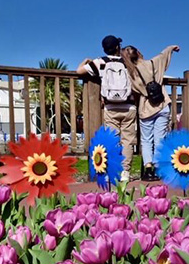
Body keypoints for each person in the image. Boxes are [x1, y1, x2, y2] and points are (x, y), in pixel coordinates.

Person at [76, 35, 138, 182]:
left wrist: (86, 61)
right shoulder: (128, 63)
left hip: (110, 107)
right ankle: (125, 172)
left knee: (113, 140)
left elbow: (79, 71)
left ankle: (112, 171)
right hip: (129, 107)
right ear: (118, 47)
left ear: (104, 48)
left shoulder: (101, 62)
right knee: (128, 141)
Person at [123, 45, 179, 181]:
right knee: (160, 139)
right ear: (138, 52)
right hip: (162, 105)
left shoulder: (130, 73)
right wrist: (171, 48)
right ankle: (159, 169)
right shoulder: (153, 63)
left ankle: (148, 169)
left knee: (146, 140)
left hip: (145, 107)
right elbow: (163, 55)